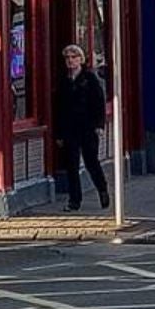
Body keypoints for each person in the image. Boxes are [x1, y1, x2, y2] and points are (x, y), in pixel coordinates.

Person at [53, 43, 112, 213]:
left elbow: (99, 102)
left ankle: (102, 189)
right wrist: (59, 134)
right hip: (69, 129)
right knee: (71, 165)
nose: (70, 61)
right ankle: (74, 200)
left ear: (81, 59)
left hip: (87, 127)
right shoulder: (63, 81)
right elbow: (59, 108)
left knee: (91, 161)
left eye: (74, 57)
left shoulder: (90, 79)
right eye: (68, 58)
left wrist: (99, 125)